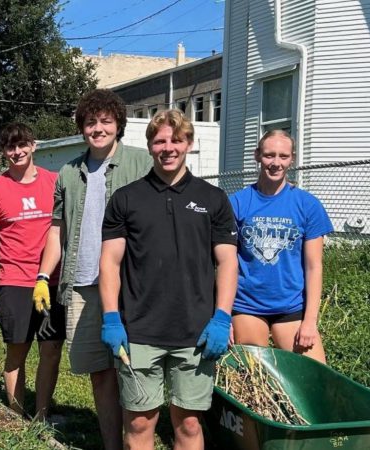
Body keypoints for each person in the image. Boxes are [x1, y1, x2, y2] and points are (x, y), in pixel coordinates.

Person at [98, 109, 238, 450]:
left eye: (176, 140)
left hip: (196, 331)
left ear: (189, 143)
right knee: (140, 422)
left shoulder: (213, 199)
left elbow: (228, 262)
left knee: (189, 424)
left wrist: (222, 317)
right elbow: (110, 262)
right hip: (139, 331)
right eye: (159, 140)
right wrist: (111, 317)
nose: (168, 147)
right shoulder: (126, 199)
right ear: (149, 146)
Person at [35, 89, 152, 449]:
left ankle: (140, 440)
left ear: (118, 124)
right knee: (100, 372)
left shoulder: (143, 163)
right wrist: (43, 275)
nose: (97, 128)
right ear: (82, 128)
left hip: (132, 284)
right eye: (90, 122)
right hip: (83, 284)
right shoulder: (69, 172)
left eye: (105, 121)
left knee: (135, 371)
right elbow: (58, 229)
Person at [0, 123, 64, 421]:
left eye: (22, 145)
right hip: (14, 282)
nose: (17, 152)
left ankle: (41, 417)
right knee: (17, 352)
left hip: (52, 280)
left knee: (51, 351)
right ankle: (16, 415)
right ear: (4, 152)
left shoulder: (55, 182)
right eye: (10, 147)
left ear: (33, 145)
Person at [228, 130, 332, 362]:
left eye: (283, 156)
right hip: (247, 305)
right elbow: (225, 263)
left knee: (314, 374)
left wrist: (310, 322)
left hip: (291, 305)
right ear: (257, 156)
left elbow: (314, 267)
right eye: (269, 155)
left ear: (292, 159)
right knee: (257, 377)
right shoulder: (237, 203)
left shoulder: (307, 204)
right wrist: (223, 316)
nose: (276, 163)